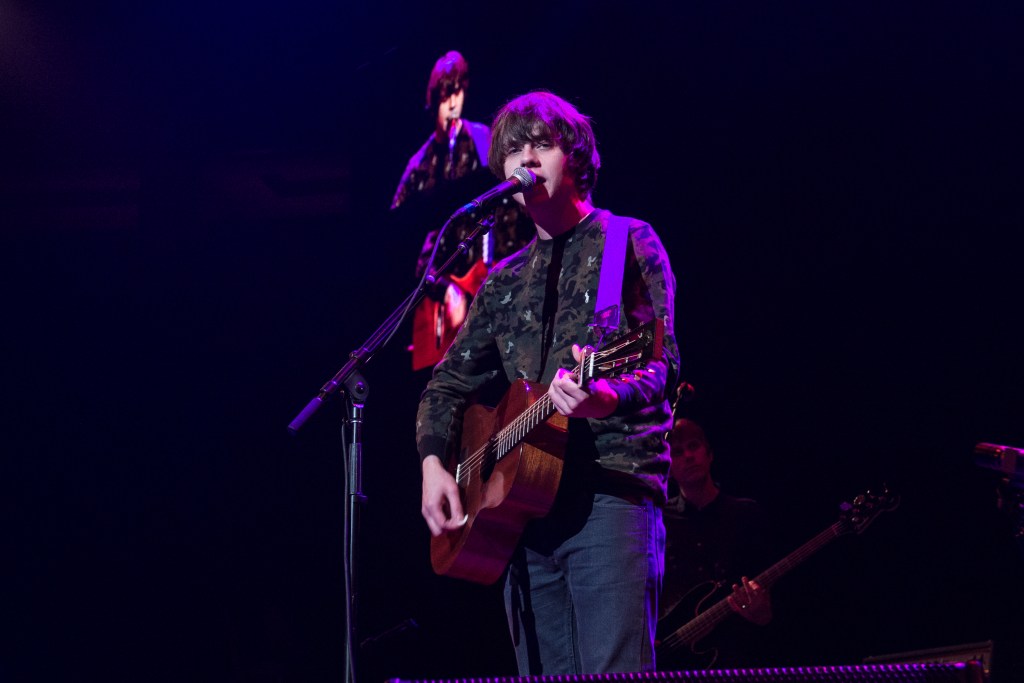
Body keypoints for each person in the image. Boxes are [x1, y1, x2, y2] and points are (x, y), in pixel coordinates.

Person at [416, 91, 680, 675]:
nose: (525, 160)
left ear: (575, 156)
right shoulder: (502, 283)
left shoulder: (627, 242)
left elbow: (663, 366)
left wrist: (605, 395)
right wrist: (436, 464)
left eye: (541, 144)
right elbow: (446, 385)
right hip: (522, 514)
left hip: (610, 493)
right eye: (513, 149)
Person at [391, 50, 531, 370]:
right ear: (433, 101)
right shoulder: (419, 165)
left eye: (458, 92)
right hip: (444, 296)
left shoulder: (484, 140)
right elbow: (400, 241)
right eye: (445, 96)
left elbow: (510, 211)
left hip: (496, 283)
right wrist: (444, 288)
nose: (453, 103)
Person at [659, 418, 774, 669]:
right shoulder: (658, 520)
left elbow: (772, 599)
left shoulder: (746, 515)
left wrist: (763, 611)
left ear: (709, 454)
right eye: (677, 452)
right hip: (674, 659)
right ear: (667, 465)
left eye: (694, 446)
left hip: (737, 656)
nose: (688, 456)